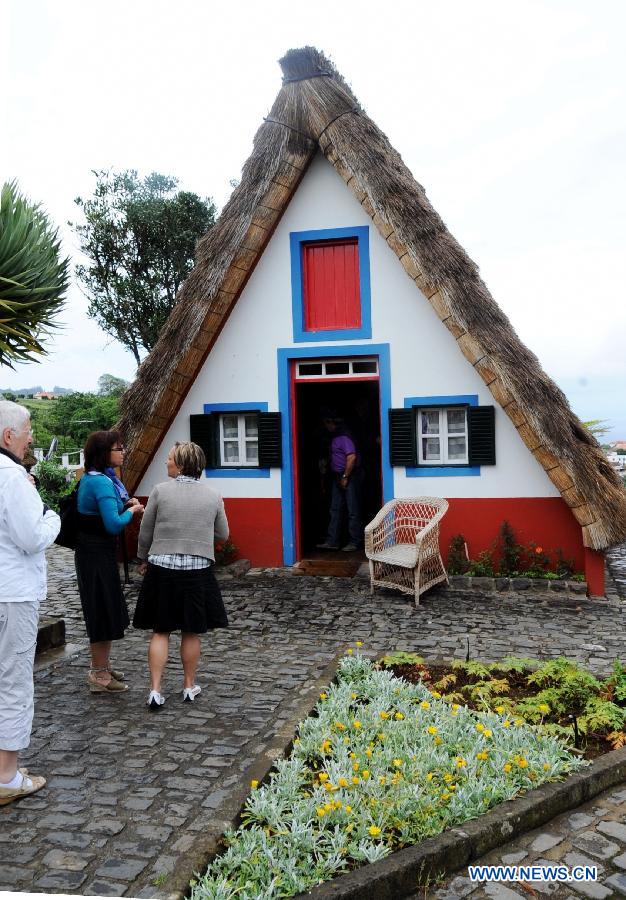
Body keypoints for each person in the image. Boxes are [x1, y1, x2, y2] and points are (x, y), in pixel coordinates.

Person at [133, 441, 229, 709]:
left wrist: (143, 559)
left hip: (162, 568)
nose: (166, 461)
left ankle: (155, 690)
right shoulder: (213, 495)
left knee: (160, 630)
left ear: (182, 464)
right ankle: (188, 686)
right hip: (197, 570)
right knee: (191, 631)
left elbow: (146, 532)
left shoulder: (159, 492)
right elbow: (223, 534)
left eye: (170, 458)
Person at [0, 401, 60, 805]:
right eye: (27, 431)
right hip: (13, 593)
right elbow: (31, 537)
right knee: (14, 681)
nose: (31, 438)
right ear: (8, 436)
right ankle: (6, 776)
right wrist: (52, 515)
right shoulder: (12, 477)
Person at [75, 430, 144, 693]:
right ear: (105, 453)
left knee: (103, 609)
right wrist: (132, 511)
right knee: (101, 611)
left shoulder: (101, 479)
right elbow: (114, 524)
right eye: (119, 448)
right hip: (96, 556)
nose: (123, 452)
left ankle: (101, 665)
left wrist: (126, 503)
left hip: (95, 554)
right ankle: (99, 674)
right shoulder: (101, 482)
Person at [316, 412, 364, 552]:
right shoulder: (334, 437)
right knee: (335, 508)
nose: (325, 427)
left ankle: (355, 542)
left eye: (326, 423)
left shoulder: (344, 436)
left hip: (349, 476)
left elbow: (352, 457)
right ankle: (332, 541)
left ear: (332, 423)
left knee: (352, 510)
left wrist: (345, 476)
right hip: (337, 476)